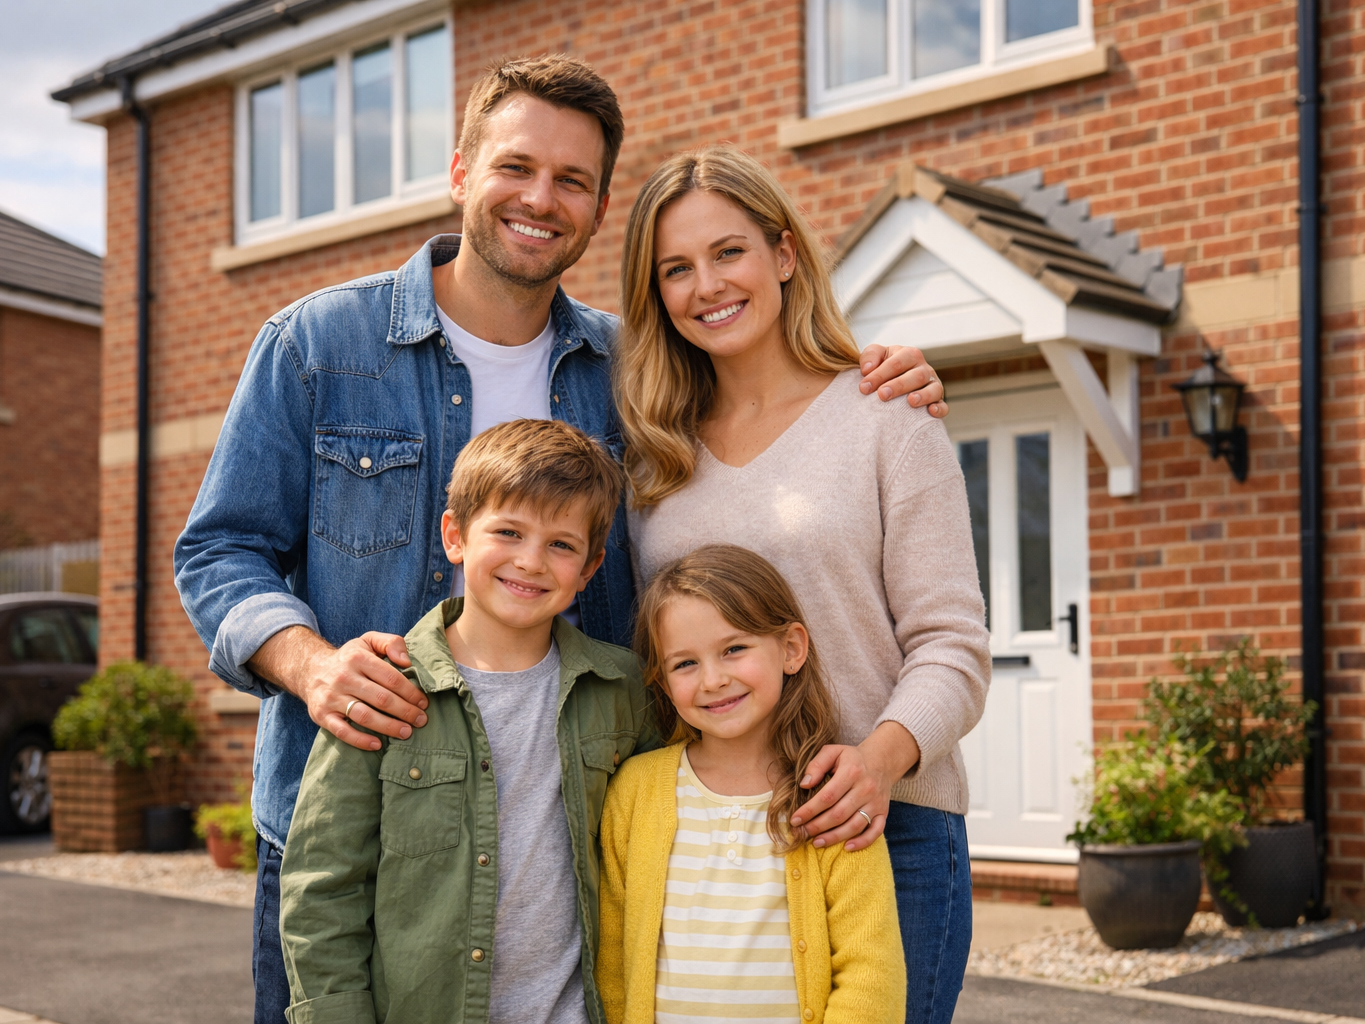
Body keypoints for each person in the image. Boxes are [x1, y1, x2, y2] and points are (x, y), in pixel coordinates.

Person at [173, 55, 945, 1023]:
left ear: (598, 204)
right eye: (515, 167)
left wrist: (879, 367)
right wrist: (311, 664)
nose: (541, 199)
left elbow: (774, 393)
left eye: (572, 181)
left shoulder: (639, 370)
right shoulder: (317, 344)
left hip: (574, 845)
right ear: (461, 173)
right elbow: (218, 549)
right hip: (366, 847)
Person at [615, 145, 991, 1024]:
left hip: (882, 822)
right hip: (714, 839)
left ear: (783, 255)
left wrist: (877, 762)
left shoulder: (886, 419)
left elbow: (953, 647)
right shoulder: (652, 458)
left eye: (729, 252)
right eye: (675, 268)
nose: (706, 284)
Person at [278, 418, 660, 1024]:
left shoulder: (623, 692)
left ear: (589, 569)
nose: (531, 562)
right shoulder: (382, 690)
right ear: (455, 536)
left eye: (561, 544)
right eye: (508, 532)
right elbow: (323, 890)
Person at [597, 544, 905, 1024]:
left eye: (733, 649)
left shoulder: (831, 795)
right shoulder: (634, 791)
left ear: (790, 648)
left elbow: (871, 973)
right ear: (660, 679)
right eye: (685, 663)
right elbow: (613, 960)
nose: (714, 679)